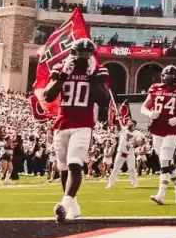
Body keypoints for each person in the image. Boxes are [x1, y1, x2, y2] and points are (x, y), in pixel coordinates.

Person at [36, 38, 110, 223]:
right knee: (62, 167)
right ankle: (73, 207)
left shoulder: (98, 70)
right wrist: (62, 76)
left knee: (74, 163)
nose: (83, 58)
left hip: (84, 123)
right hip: (62, 122)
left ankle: (65, 202)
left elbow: (103, 99)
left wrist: (92, 78)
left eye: (87, 55)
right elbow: (49, 95)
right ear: (73, 53)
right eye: (80, 54)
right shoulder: (61, 67)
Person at [141, 65, 176, 206]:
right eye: (167, 74)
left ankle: (161, 194)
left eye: (172, 75)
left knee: (165, 160)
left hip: (173, 130)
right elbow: (144, 107)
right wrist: (148, 113)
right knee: (166, 162)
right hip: (157, 128)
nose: (169, 78)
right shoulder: (155, 88)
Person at [106, 118, 140, 189]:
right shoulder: (124, 129)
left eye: (130, 122)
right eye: (128, 122)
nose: (128, 123)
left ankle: (135, 183)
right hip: (121, 152)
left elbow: (139, 142)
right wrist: (118, 118)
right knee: (116, 168)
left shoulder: (137, 133)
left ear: (134, 125)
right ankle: (110, 183)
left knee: (132, 169)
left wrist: (133, 144)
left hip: (130, 153)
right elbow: (118, 126)